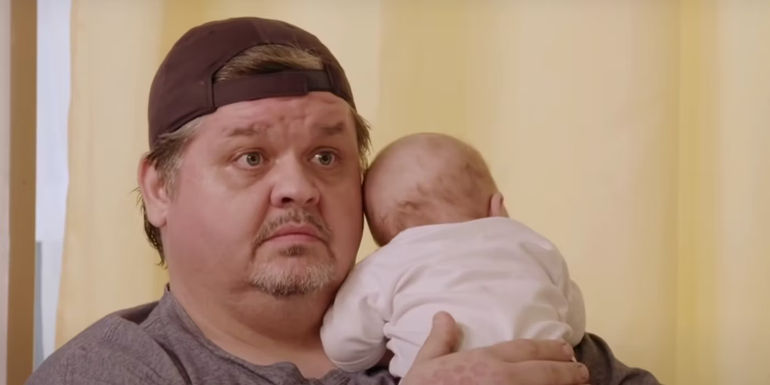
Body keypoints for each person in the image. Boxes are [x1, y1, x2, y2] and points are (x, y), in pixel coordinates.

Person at [27, 17, 660, 385]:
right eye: (250, 157)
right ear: (160, 187)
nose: (300, 186)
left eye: (327, 157)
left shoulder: (478, 308)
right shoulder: (116, 372)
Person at [321, 133, 586, 378]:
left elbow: (342, 346)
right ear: (497, 207)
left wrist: (381, 347)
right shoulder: (532, 244)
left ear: (384, 241)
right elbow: (574, 322)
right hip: (549, 372)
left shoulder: (383, 265)